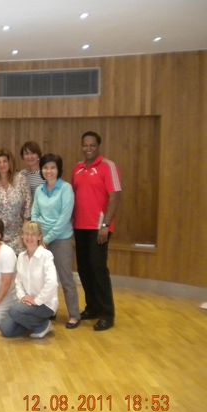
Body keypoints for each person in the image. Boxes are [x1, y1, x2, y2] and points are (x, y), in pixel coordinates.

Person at [72, 131, 122, 331]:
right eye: (85, 145)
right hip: (80, 227)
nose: (88, 148)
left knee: (98, 268)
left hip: (99, 228)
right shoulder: (77, 168)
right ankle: (92, 307)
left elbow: (115, 197)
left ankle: (107, 314)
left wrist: (105, 225)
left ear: (98, 146)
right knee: (84, 269)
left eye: (92, 145)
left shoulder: (108, 166)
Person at [32, 153, 80, 328]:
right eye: (45, 167)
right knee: (45, 279)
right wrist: (38, 236)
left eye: (53, 167)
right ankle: (48, 311)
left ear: (59, 170)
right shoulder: (39, 190)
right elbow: (35, 213)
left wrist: (47, 238)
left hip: (61, 239)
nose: (49, 171)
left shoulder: (66, 188)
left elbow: (64, 218)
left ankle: (74, 315)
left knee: (66, 279)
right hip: (42, 239)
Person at [0, 222, 59, 339]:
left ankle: (43, 326)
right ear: (22, 236)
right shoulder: (21, 257)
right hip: (27, 303)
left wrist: (36, 300)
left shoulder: (46, 255)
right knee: (6, 330)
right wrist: (23, 297)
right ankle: (34, 322)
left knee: (14, 311)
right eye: (26, 233)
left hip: (45, 304)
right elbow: (18, 282)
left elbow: (52, 283)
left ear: (39, 237)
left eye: (33, 234)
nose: (29, 237)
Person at [0, 149, 31, 254]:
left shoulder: (21, 179)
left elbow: (28, 206)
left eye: (5, 161)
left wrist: (25, 233)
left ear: (9, 162)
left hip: (17, 237)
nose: (2, 164)